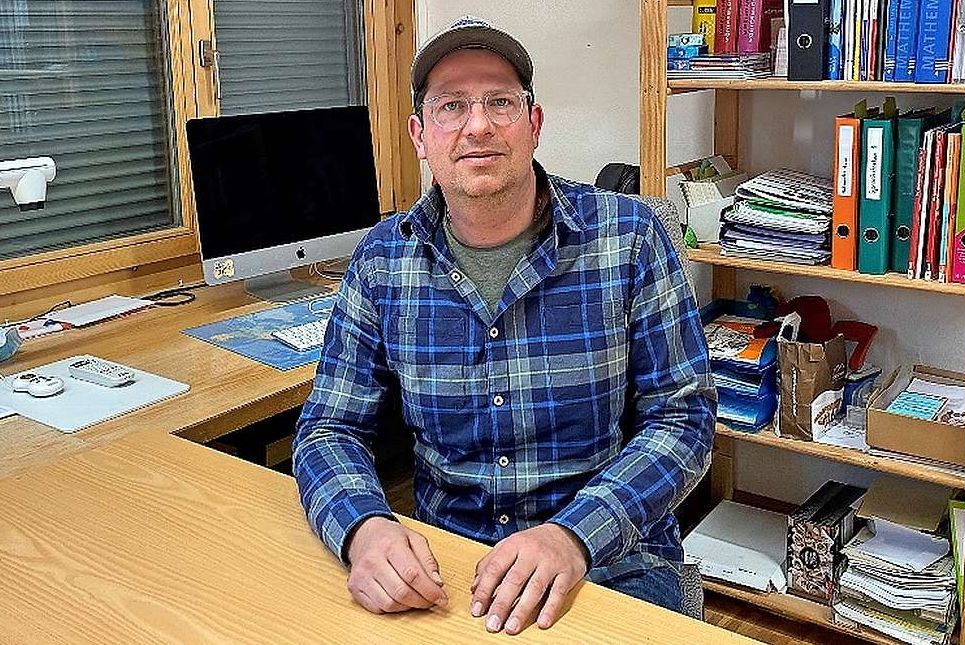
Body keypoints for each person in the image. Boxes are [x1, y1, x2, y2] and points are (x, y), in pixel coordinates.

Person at [293, 16, 715, 636]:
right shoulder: (383, 259)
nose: (478, 126)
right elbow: (329, 428)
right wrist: (364, 528)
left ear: (534, 123)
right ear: (420, 135)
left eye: (500, 102)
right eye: (451, 106)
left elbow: (684, 419)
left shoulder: (629, 237)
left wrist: (573, 537)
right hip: (449, 569)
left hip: (609, 560)